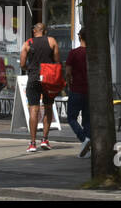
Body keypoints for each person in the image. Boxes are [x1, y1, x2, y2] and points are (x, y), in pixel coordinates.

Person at [19, 22, 59, 153]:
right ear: (45, 31)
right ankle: (45, 140)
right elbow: (57, 61)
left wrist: (30, 69)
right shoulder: (52, 41)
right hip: (48, 78)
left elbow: (23, 63)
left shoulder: (27, 43)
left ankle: (32, 143)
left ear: (34, 31)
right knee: (48, 108)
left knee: (34, 110)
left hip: (34, 78)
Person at [63, 28, 91, 157]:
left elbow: (68, 72)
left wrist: (68, 84)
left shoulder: (73, 53)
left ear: (80, 37)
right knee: (87, 120)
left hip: (76, 90)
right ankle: (87, 145)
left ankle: (84, 139)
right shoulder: (93, 53)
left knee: (71, 118)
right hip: (89, 90)